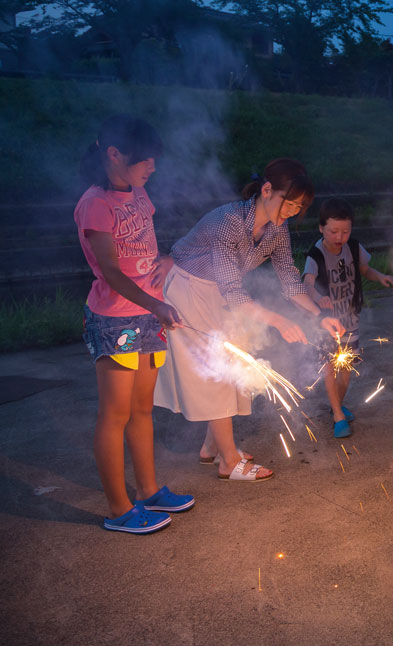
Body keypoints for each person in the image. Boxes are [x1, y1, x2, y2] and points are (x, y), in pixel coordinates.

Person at [154, 158, 344, 482]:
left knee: (236, 364)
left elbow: (289, 281)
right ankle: (228, 461)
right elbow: (232, 291)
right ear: (267, 190)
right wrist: (279, 321)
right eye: (290, 203)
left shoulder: (278, 229)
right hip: (189, 290)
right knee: (218, 368)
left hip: (220, 294)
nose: (293, 211)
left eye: (300, 206)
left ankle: (211, 448)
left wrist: (320, 316)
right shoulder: (229, 220)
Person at [74, 115, 194, 534]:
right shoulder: (95, 204)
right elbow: (110, 271)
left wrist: (162, 269)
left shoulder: (139, 193)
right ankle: (119, 510)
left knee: (143, 408)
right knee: (115, 414)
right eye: (146, 160)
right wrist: (155, 305)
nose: (153, 167)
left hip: (148, 314)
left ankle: (149, 491)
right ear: (114, 155)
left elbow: (144, 247)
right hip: (115, 320)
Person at [303, 198, 393, 438]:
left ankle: (337, 405)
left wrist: (381, 277)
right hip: (326, 322)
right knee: (329, 367)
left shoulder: (354, 248)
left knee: (346, 368)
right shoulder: (316, 254)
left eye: (345, 231)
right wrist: (317, 298)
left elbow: (365, 270)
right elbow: (307, 284)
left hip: (350, 318)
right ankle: (337, 414)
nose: (340, 237)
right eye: (334, 231)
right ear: (321, 228)